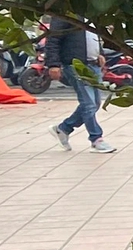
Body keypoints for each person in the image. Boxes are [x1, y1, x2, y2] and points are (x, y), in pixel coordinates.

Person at [45, 14, 116, 154]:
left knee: (94, 104)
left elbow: (93, 36)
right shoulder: (66, 13)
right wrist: (53, 64)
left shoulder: (90, 12)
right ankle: (96, 139)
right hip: (75, 64)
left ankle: (63, 129)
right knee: (88, 104)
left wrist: (100, 53)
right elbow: (53, 39)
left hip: (93, 64)